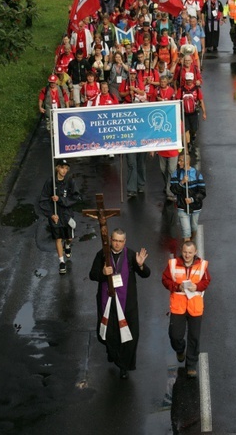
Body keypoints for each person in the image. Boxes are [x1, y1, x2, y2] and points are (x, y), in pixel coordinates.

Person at [89, 228, 150, 379]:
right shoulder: (102, 254)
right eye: (115, 240)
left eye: (120, 241)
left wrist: (141, 265)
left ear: (125, 242)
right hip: (107, 300)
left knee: (130, 334)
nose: (117, 244)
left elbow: (145, 274)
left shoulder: (130, 255)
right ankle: (112, 351)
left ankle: (123, 365)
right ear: (110, 240)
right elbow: (92, 275)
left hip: (127, 302)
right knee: (110, 332)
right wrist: (103, 273)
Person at [162, 240, 211, 378]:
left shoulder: (202, 265)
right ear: (181, 251)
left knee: (194, 337)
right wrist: (177, 287)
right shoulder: (173, 264)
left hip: (195, 306)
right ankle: (180, 349)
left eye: (190, 252)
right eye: (185, 252)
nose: (187, 255)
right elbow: (165, 280)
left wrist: (197, 287)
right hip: (178, 306)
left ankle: (191, 365)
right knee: (175, 335)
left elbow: (206, 281)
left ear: (195, 252)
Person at [39, 159, 81, 274]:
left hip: (67, 215)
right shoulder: (50, 182)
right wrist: (51, 215)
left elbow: (75, 197)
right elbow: (43, 200)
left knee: (69, 238)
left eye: (66, 168)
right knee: (58, 238)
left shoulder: (70, 182)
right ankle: (61, 262)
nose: (64, 170)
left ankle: (67, 245)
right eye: (62, 167)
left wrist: (61, 200)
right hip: (55, 215)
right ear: (57, 168)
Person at [170, 152, 206, 242]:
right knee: (186, 232)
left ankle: (190, 242)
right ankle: (187, 246)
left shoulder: (197, 175)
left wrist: (192, 199)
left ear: (187, 162)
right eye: (178, 161)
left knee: (194, 228)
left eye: (181, 161)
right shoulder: (176, 174)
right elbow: (173, 190)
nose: (178, 163)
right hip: (182, 207)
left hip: (195, 207)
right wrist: (181, 182)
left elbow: (202, 192)